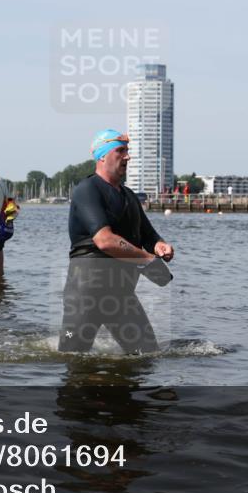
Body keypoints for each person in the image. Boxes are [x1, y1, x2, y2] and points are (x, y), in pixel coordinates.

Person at [59, 129, 175, 354]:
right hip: (87, 293)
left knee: (147, 354)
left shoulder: (129, 196)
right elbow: (105, 240)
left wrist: (160, 246)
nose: (127, 157)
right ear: (102, 156)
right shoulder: (87, 190)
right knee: (73, 357)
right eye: (120, 151)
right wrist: (148, 260)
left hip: (122, 293)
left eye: (128, 151)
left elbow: (149, 235)